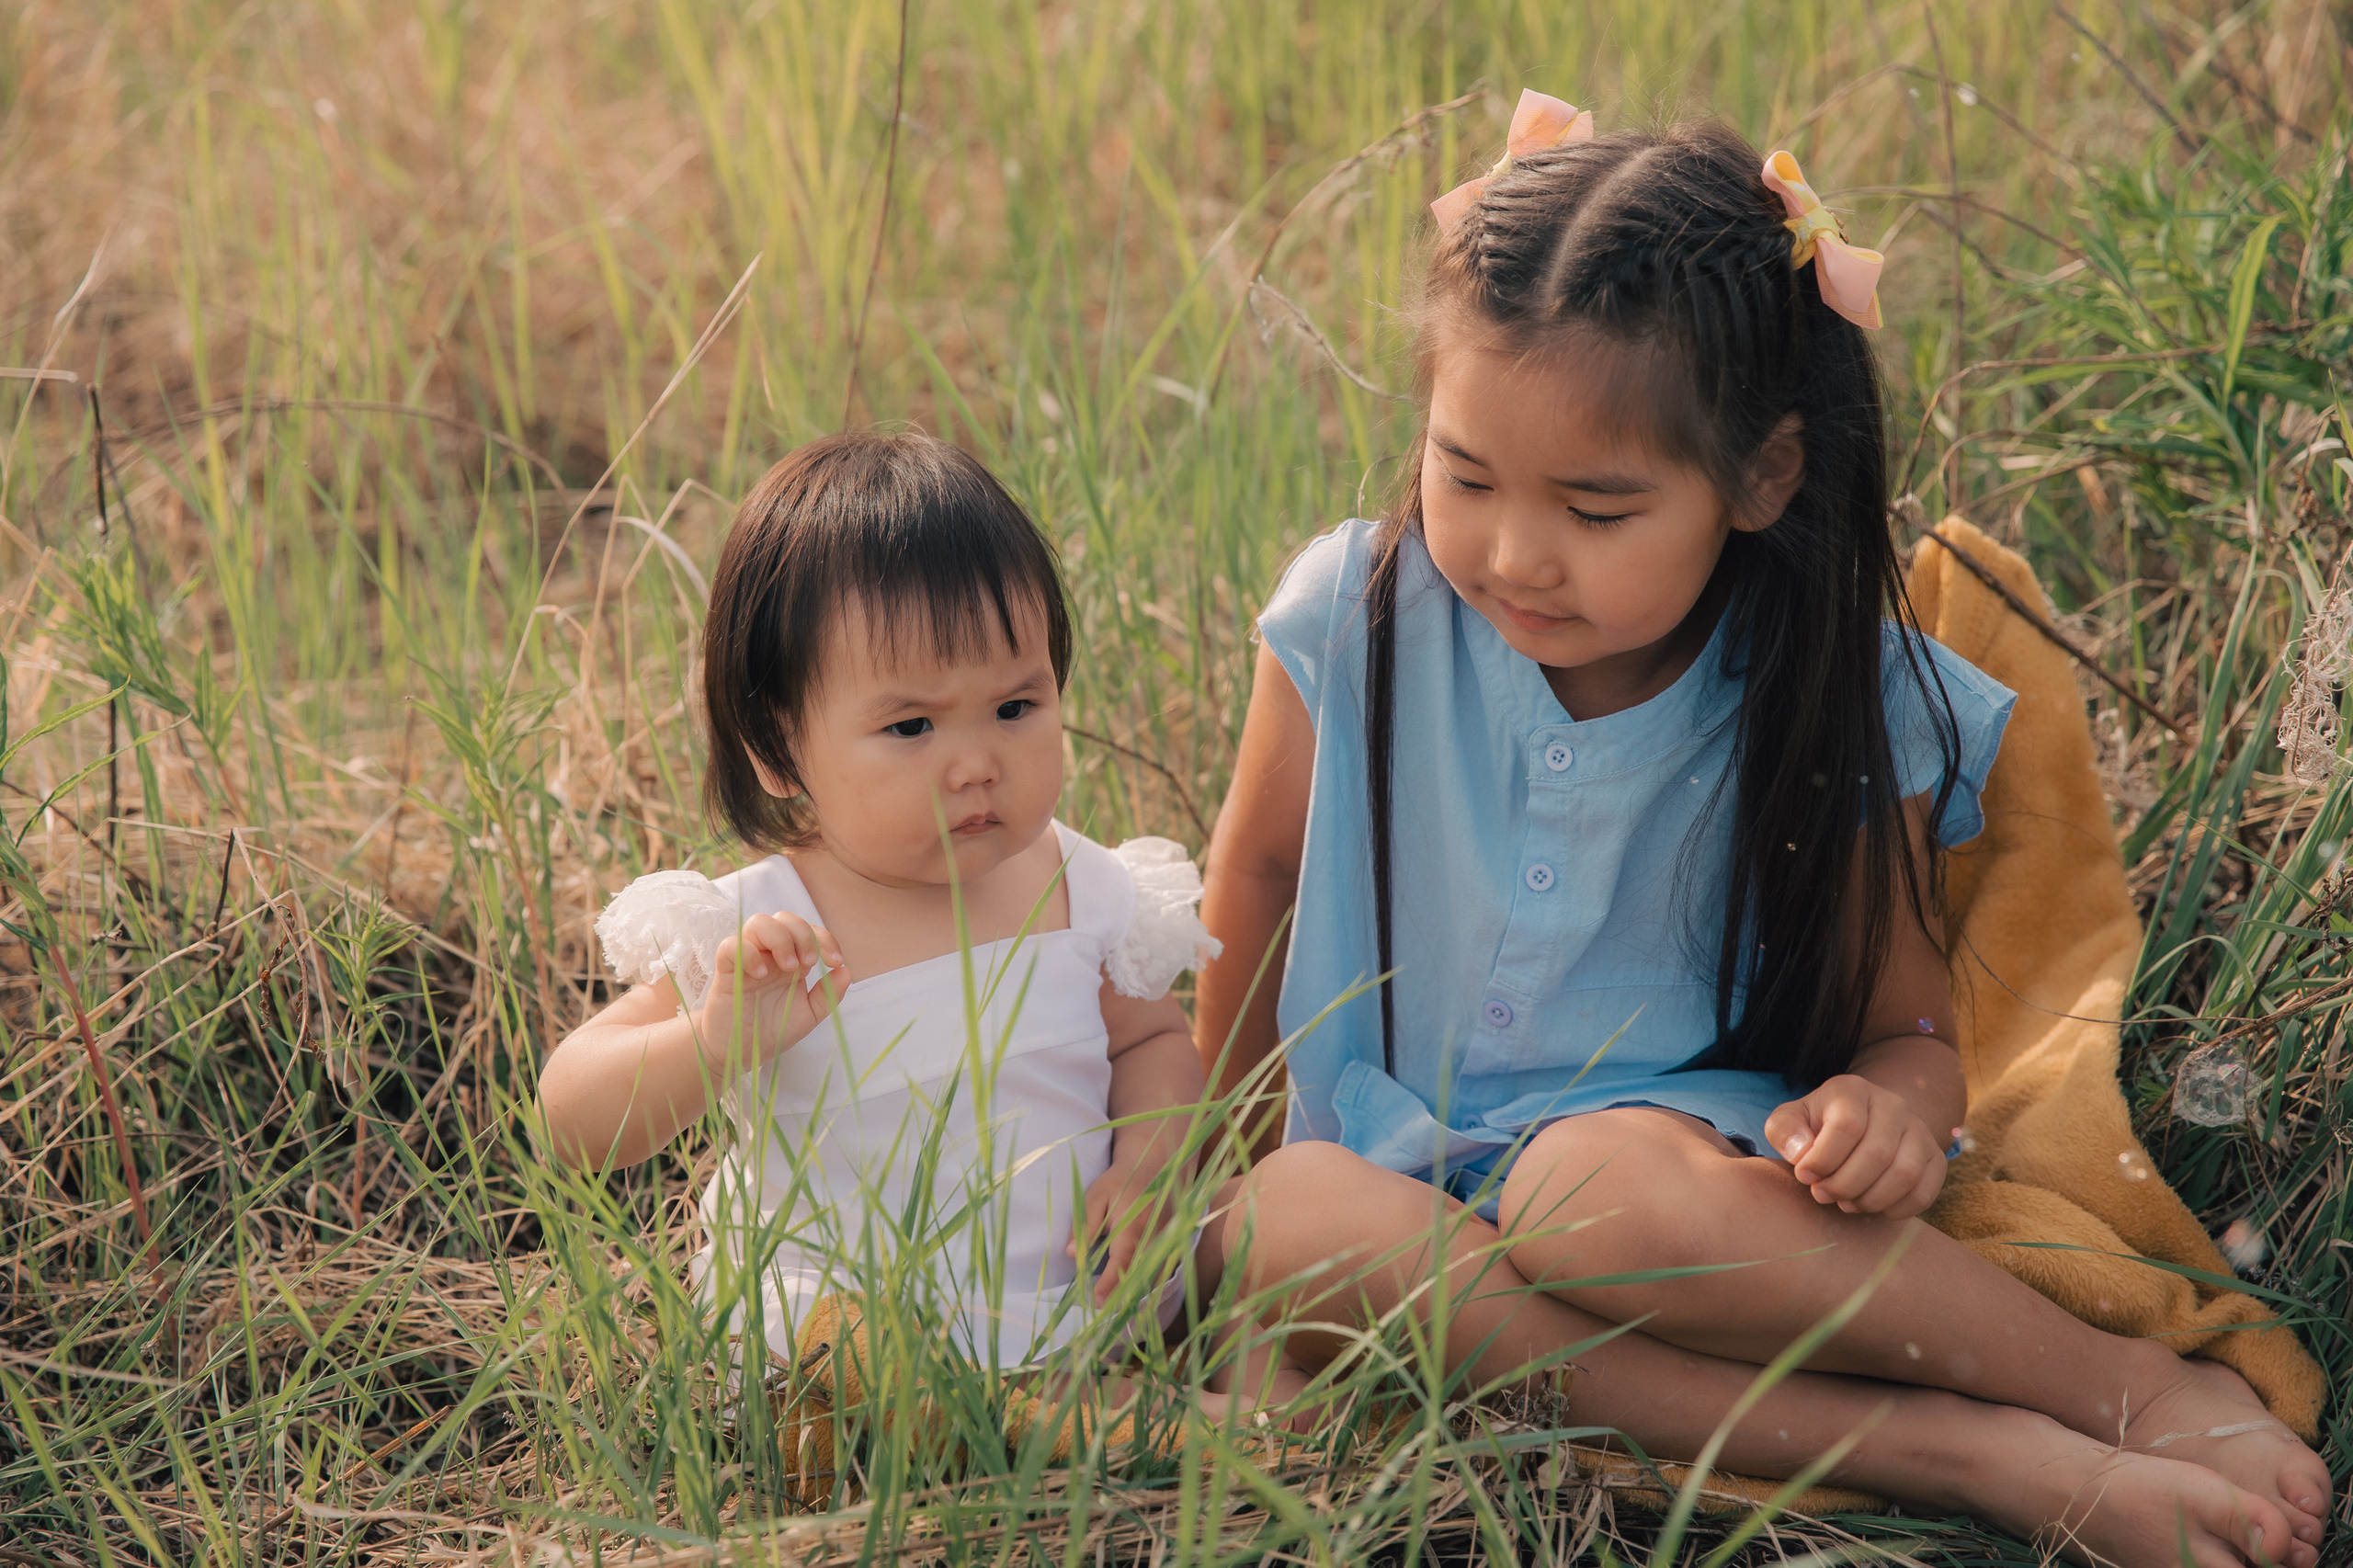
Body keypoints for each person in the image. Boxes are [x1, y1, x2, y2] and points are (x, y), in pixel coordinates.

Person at [1191, 97, 2330, 1566]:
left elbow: (1911, 1029)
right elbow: (1261, 877)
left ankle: (2124, 1389)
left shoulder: (1825, 690)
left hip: (1665, 1166)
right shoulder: (1355, 617)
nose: (1513, 552)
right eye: (1463, 474)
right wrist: (1191, 1166)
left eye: (1597, 509)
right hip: (1386, 1171)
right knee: (1282, 1219)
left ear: (1762, 477)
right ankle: (1975, 1455)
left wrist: (1889, 1115)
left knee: (1579, 1198)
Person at [538, 431, 1218, 1373]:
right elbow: (574, 1117)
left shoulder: (1082, 887)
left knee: (1241, 1256)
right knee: (843, 1348)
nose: (977, 760)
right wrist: (716, 1037)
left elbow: (1152, 1043)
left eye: (1016, 706)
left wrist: (1148, 1159)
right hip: (850, 1320)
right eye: (910, 725)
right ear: (777, 747)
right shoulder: (758, 930)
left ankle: (1077, 1403)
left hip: (1065, 1301)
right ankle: (1021, 1423)